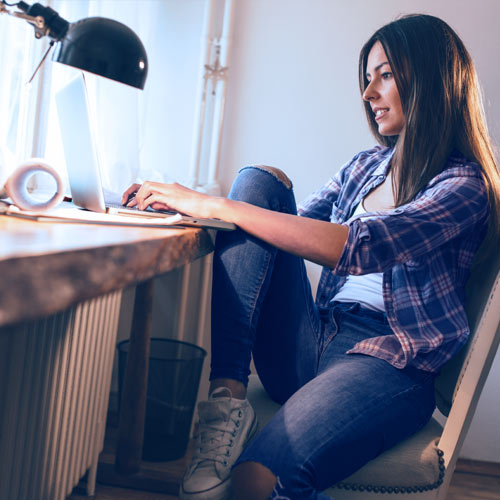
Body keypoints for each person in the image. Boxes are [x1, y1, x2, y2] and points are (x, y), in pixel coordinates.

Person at [122, 13, 500, 500]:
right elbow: (276, 228)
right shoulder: (366, 165)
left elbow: (361, 247)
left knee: (257, 479)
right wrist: (179, 203)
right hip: (313, 338)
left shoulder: (463, 186)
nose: (368, 94)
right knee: (259, 181)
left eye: (385, 75)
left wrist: (214, 204)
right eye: (368, 78)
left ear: (431, 77)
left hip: (387, 364)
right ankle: (227, 400)